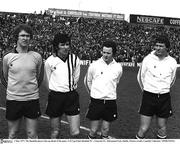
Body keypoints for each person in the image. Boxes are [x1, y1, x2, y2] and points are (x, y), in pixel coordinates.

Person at [1, 24, 43, 139]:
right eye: (22, 35)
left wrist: (31, 90)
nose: (25, 38)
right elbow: (4, 78)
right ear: (17, 37)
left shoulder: (37, 56)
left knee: (32, 134)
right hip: (13, 100)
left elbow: (39, 78)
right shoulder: (7, 57)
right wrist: (13, 91)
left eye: (28, 36)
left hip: (32, 100)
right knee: (13, 134)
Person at [136, 34, 177, 139]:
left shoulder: (172, 62)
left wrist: (163, 89)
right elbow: (140, 78)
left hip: (164, 98)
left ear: (167, 48)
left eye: (161, 46)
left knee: (162, 128)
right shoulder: (148, 59)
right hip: (149, 97)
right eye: (156, 45)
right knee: (144, 128)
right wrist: (148, 91)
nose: (158, 48)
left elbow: (172, 80)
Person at [44, 33, 81, 138]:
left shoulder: (75, 59)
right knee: (55, 132)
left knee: (75, 132)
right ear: (56, 46)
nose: (66, 47)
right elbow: (47, 81)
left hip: (71, 97)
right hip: (56, 97)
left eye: (67, 44)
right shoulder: (50, 61)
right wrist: (53, 93)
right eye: (62, 45)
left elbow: (76, 77)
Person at [84, 40, 123, 139]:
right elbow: (87, 81)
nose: (105, 55)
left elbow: (116, 82)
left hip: (110, 102)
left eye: (108, 53)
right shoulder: (94, 65)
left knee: (105, 130)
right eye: (104, 52)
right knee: (93, 130)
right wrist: (93, 94)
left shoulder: (118, 67)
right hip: (96, 101)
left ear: (113, 53)